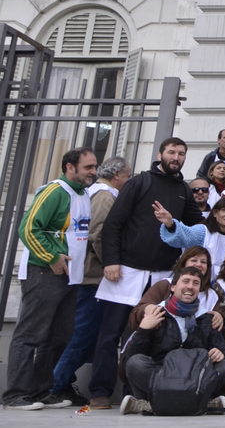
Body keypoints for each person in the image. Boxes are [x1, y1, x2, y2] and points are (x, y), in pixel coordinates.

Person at [91, 138, 204, 409]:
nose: (176, 157)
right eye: (171, 152)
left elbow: (199, 229)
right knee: (110, 334)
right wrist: (111, 261)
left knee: (153, 335)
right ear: (160, 154)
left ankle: (137, 392)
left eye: (181, 153)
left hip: (162, 276)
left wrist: (174, 224)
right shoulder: (139, 182)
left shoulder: (184, 190)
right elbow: (113, 224)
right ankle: (100, 391)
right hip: (125, 272)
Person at [3, 148, 96, 411]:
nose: (93, 171)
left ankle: (41, 391)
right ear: (70, 167)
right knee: (30, 334)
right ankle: (15, 395)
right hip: (43, 272)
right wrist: (51, 257)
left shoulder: (83, 194)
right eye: (88, 167)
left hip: (70, 277)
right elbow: (27, 228)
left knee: (58, 337)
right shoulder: (54, 191)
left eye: (94, 166)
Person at [48, 155, 130, 407]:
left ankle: (61, 382)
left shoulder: (93, 192)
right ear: (117, 175)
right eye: (128, 176)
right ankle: (54, 385)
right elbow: (98, 233)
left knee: (84, 333)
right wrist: (111, 262)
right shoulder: (105, 195)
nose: (129, 181)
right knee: (82, 334)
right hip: (93, 275)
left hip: (87, 274)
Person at [118, 267, 225, 415]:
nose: (190, 287)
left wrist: (221, 352)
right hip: (160, 375)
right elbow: (131, 358)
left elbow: (224, 352)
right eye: (186, 281)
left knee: (223, 366)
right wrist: (143, 330)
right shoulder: (157, 314)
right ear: (173, 287)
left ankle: (149, 405)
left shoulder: (207, 318)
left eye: (195, 283)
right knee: (136, 363)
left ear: (199, 289)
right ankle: (202, 404)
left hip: (193, 377)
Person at [155, 197, 225, 276]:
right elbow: (183, 236)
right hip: (198, 282)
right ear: (215, 213)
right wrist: (170, 224)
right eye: (224, 210)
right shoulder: (203, 232)